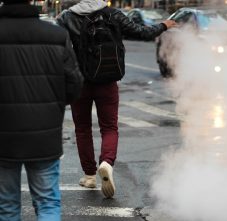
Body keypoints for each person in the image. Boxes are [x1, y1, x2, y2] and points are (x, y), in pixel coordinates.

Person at [0, 0, 83, 221]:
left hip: (4, 137)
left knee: (7, 205)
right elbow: (74, 85)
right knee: (47, 202)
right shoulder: (55, 34)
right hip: (45, 135)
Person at [57, 0, 177, 199]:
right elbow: (142, 32)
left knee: (83, 128)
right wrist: (164, 25)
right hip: (108, 80)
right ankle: (107, 162)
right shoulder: (113, 14)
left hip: (80, 82)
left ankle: (89, 175)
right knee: (110, 127)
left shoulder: (67, 18)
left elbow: (59, 50)